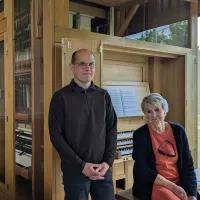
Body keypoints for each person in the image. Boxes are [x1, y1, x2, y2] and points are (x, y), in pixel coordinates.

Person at [48, 49, 117, 200]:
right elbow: (56, 136)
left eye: (91, 64)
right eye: (82, 64)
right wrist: (82, 166)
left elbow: (112, 130)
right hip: (75, 171)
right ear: (72, 67)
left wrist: (107, 162)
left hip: (102, 169)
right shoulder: (60, 97)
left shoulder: (103, 95)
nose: (88, 68)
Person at [132, 93, 199, 200]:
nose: (153, 115)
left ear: (165, 110)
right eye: (149, 111)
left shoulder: (178, 131)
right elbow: (144, 170)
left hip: (179, 181)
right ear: (145, 113)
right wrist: (174, 188)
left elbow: (188, 165)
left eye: (157, 109)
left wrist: (192, 194)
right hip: (155, 184)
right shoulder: (140, 135)